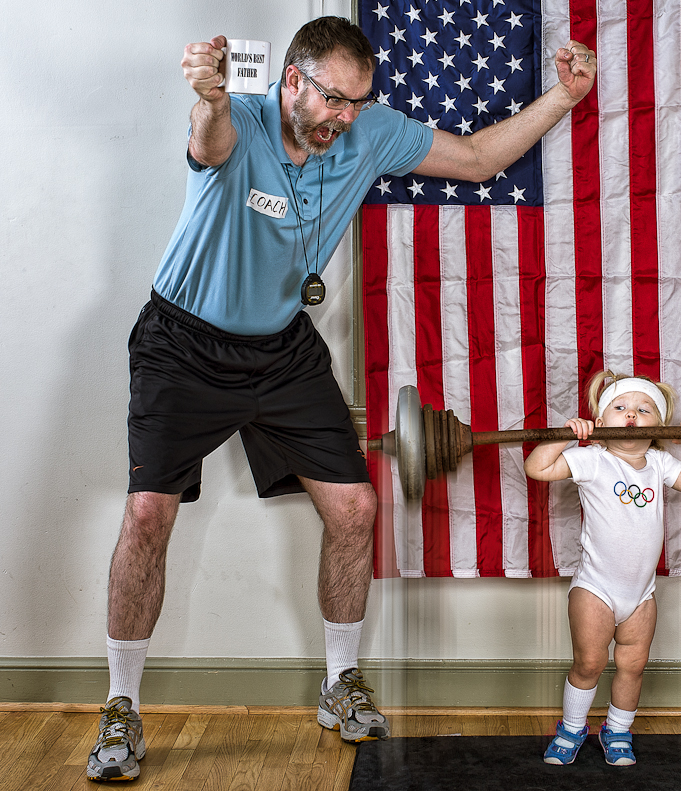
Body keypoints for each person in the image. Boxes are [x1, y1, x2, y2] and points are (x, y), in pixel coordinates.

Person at [85, 16, 596, 783]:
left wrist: (564, 94)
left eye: (357, 102)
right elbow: (208, 142)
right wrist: (210, 97)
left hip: (282, 347)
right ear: (291, 80)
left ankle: (339, 683)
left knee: (355, 509)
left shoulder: (371, 131)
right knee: (149, 512)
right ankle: (121, 708)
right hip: (181, 344)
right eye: (332, 100)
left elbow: (483, 158)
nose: (344, 117)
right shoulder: (242, 119)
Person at [524, 371, 681, 767]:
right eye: (620, 407)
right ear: (600, 420)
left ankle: (618, 730)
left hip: (641, 595)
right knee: (589, 663)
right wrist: (566, 435)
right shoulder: (592, 459)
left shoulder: (659, 464)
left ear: (658, 426)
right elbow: (537, 468)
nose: (632, 415)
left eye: (645, 410)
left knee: (633, 665)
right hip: (595, 589)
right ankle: (572, 728)